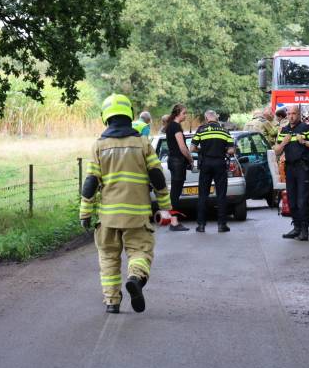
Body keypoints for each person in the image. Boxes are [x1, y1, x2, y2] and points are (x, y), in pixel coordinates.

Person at [79, 93, 172, 314]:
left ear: (106, 117)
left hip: (108, 218)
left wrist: (85, 213)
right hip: (137, 217)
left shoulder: (99, 146)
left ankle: (112, 302)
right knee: (140, 252)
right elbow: (157, 176)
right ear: (129, 115)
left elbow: (90, 182)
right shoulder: (142, 143)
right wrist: (166, 207)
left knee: (109, 259)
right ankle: (135, 278)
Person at [274, 104, 309, 241]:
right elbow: (277, 150)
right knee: (292, 200)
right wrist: (283, 143)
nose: (291, 116)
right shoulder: (284, 130)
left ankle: (304, 230)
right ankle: (296, 227)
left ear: (299, 114)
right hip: (290, 168)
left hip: (304, 168)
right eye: (289, 114)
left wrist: (305, 142)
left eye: (294, 113)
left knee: (302, 200)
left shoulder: (305, 128)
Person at [191, 110, 236, 233]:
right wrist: (223, 151)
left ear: (206, 118)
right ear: (216, 118)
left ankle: (201, 225)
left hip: (205, 163)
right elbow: (231, 150)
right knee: (221, 194)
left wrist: (203, 150)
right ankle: (222, 225)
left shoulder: (201, 130)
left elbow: (192, 148)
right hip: (220, 163)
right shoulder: (224, 131)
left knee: (203, 195)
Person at [164, 104, 192, 232]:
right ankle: (174, 222)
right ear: (177, 113)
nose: (185, 115)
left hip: (173, 161)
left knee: (174, 192)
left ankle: (172, 220)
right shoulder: (175, 126)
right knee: (175, 193)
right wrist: (191, 160)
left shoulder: (170, 126)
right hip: (177, 162)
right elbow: (182, 147)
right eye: (184, 113)